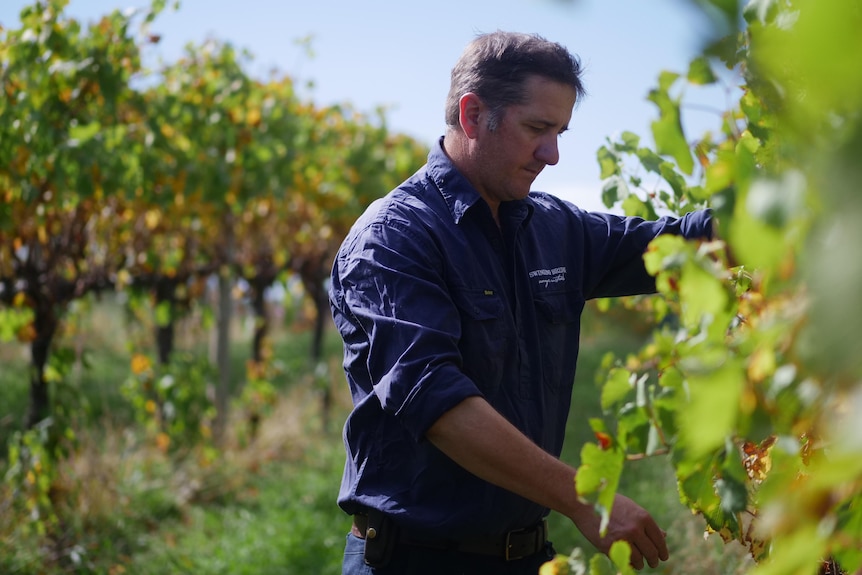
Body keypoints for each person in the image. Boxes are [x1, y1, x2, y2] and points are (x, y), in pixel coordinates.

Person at [329, 30, 714, 575]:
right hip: (412, 561)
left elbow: (675, 244)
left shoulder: (554, 227)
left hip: (526, 556)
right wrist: (585, 499)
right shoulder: (393, 238)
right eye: (537, 129)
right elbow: (438, 404)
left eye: (559, 132)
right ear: (471, 114)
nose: (552, 155)